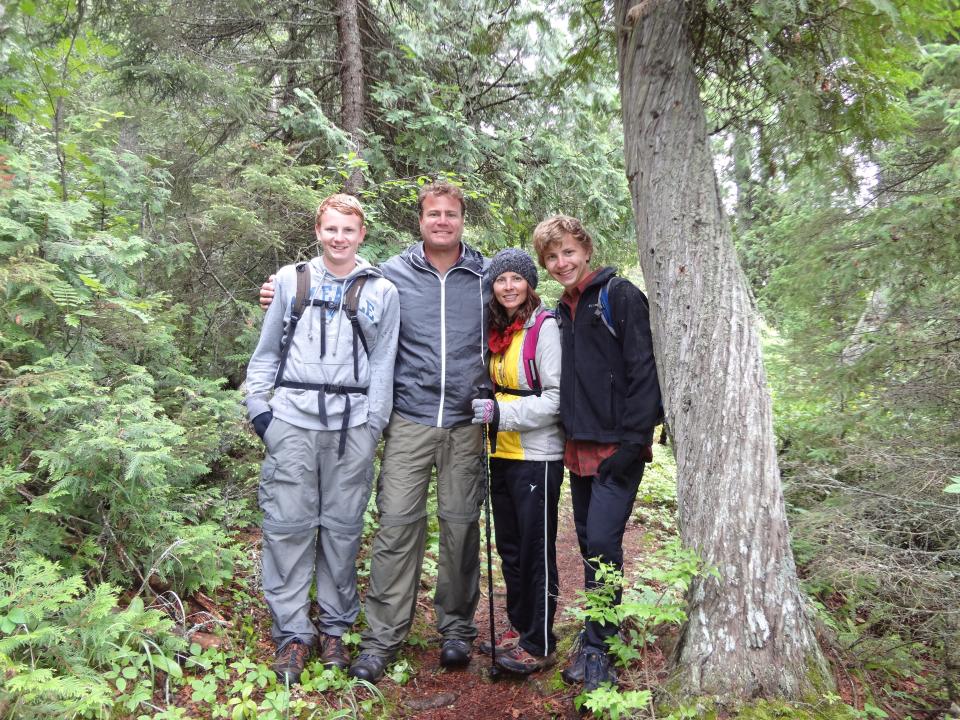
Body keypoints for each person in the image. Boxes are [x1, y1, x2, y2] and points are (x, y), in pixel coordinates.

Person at [259, 181, 489, 684]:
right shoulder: (392, 274)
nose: (442, 221)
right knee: (395, 530)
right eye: (434, 213)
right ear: (420, 219)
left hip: (465, 422)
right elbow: (338, 291)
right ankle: (382, 639)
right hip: (407, 417)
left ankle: (455, 629)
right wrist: (275, 292)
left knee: (459, 527)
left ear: (461, 219)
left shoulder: (485, 275)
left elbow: (520, 307)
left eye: (451, 213)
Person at [245, 193, 400, 685]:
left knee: (342, 529)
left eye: (348, 230)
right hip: (290, 421)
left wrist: (373, 423)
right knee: (287, 529)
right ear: (318, 230)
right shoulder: (291, 282)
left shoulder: (381, 291)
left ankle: (335, 627)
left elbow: (383, 363)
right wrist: (260, 413)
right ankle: (292, 634)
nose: (339, 238)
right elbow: (267, 351)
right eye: (331, 229)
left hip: (352, 427)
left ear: (362, 235)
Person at [531, 215, 662, 692]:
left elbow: (644, 368)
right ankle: (595, 637)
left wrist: (633, 442)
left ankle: (602, 649)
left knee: (604, 545)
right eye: (551, 256)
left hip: (618, 446)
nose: (561, 262)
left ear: (585, 249)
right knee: (589, 543)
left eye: (568, 251)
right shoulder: (563, 308)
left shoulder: (619, 296)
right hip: (580, 446)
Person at [469, 248, 564, 674]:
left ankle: (540, 641)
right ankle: (520, 626)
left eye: (516, 279)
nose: (508, 287)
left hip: (538, 454)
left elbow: (556, 400)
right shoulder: (501, 329)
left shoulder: (544, 328)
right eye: (501, 280)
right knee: (510, 549)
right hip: (500, 451)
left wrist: (501, 414)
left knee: (535, 549)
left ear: (530, 283)